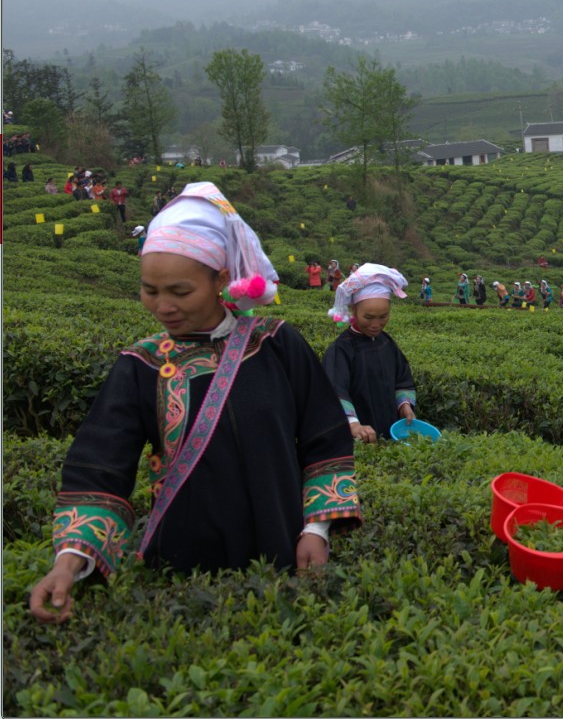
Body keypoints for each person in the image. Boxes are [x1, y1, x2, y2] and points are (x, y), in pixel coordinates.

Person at [28, 182, 360, 624]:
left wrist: (315, 529)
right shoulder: (140, 364)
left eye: (180, 292)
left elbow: (324, 436)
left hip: (283, 552)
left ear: (221, 278)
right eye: (150, 290)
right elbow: (101, 466)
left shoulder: (277, 345)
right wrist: (68, 563)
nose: (163, 306)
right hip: (182, 569)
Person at [322, 264, 417, 444]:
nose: (376, 324)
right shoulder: (341, 350)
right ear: (354, 311)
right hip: (358, 439)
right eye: (369, 317)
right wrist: (354, 425)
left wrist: (404, 405)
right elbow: (334, 391)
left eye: (383, 317)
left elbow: (402, 378)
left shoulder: (387, 343)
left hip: (389, 433)